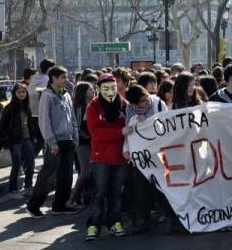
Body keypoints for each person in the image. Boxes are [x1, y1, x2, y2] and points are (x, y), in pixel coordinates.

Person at [26, 66, 79, 217]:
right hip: (54, 143)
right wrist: (51, 141)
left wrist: (75, 138)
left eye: (66, 77)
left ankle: (60, 205)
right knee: (48, 175)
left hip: (68, 141)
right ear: (53, 78)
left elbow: (73, 119)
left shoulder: (66, 95)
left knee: (66, 175)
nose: (65, 80)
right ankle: (34, 205)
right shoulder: (47, 96)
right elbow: (44, 121)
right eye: (62, 77)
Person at [85, 74, 131, 240]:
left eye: (113, 87)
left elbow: (133, 125)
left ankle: (115, 222)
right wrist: (120, 132)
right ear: (99, 89)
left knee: (117, 192)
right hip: (101, 157)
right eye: (106, 88)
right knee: (99, 192)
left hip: (120, 157)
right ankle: (93, 225)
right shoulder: (93, 107)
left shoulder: (124, 105)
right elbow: (96, 133)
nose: (110, 91)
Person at [123, 84, 169, 234]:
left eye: (147, 97)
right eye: (143, 101)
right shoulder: (130, 110)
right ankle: (143, 221)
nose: (147, 102)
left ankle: (172, 219)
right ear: (134, 103)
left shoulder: (158, 104)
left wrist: (148, 123)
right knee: (141, 190)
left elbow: (167, 126)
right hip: (141, 157)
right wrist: (126, 149)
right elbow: (129, 132)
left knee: (161, 187)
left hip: (157, 154)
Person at [0, 83, 36, 198]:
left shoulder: (27, 105)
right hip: (15, 140)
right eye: (19, 92)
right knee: (16, 164)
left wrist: (33, 136)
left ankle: (28, 186)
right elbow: (2, 125)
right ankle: (13, 189)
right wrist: (0, 142)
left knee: (30, 163)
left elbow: (29, 123)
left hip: (27, 138)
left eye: (23, 92)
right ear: (14, 93)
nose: (22, 94)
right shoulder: (10, 107)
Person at [71, 82, 95, 207]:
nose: (93, 90)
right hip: (82, 142)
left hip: (93, 142)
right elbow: (78, 126)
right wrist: (89, 136)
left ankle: (87, 197)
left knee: (91, 171)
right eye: (91, 89)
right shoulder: (80, 107)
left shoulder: (94, 104)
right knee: (85, 171)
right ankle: (73, 197)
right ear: (84, 92)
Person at [27, 58, 55, 156]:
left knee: (38, 141)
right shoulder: (47, 80)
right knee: (41, 141)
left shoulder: (35, 78)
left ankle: (27, 163)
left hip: (32, 114)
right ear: (49, 69)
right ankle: (27, 163)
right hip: (41, 115)